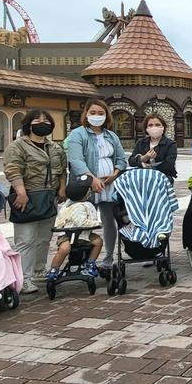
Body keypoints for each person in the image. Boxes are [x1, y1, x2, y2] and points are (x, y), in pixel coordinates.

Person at [3, 109, 67, 294]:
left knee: (44, 238)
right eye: (38, 120)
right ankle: (24, 277)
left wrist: (62, 188)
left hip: (49, 197)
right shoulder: (18, 146)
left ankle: (39, 270)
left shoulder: (55, 147)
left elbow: (62, 169)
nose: (42, 123)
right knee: (26, 239)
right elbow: (13, 169)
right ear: (28, 124)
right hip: (28, 196)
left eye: (46, 120)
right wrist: (21, 192)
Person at [65, 99, 127, 272]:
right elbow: (76, 160)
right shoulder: (78, 134)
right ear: (86, 114)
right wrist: (91, 179)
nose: (97, 116)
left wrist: (114, 174)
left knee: (110, 221)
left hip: (109, 185)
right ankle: (82, 259)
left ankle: (108, 259)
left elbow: (122, 159)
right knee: (81, 220)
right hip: (86, 186)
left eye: (101, 113)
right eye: (93, 112)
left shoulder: (111, 136)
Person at [46, 174, 103, 281]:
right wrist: (96, 223)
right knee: (64, 248)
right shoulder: (77, 207)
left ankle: (90, 263)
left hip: (83, 235)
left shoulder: (84, 204)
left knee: (98, 242)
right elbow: (81, 222)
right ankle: (54, 269)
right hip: (67, 235)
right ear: (84, 194)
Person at [128, 114, 178, 183]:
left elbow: (169, 166)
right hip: (142, 178)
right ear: (146, 128)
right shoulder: (141, 143)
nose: (154, 127)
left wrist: (150, 167)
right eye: (150, 125)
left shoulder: (170, 144)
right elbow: (131, 161)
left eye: (157, 125)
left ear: (163, 127)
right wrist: (143, 158)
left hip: (162, 178)